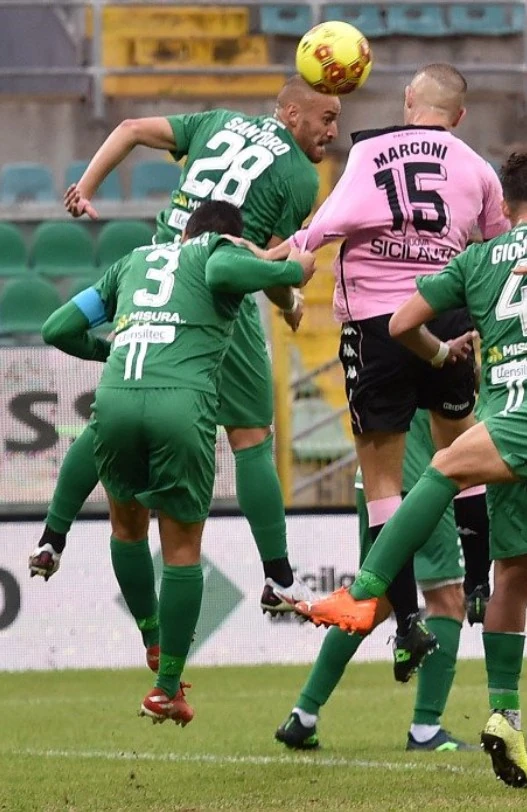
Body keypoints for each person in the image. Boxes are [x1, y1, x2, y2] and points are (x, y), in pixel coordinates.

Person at [29, 76, 341, 617]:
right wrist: (290, 299)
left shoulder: (217, 120)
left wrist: (86, 188)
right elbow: (262, 263)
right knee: (250, 437)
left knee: (107, 418)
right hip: (213, 295)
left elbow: (130, 128)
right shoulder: (297, 173)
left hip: (151, 279)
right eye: (327, 118)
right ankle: (280, 578)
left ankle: (53, 536)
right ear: (293, 114)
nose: (333, 132)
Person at [293, 152, 527, 786]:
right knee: (508, 571)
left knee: (453, 480)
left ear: (503, 204)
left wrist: (443, 351)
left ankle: (365, 592)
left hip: (508, 413)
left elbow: (399, 323)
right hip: (506, 425)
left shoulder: (477, 260)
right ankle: (502, 717)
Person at [269, 63, 507, 680]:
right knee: (462, 457)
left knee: (383, 484)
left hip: (377, 324)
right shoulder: (477, 167)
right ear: (459, 116)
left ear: (408, 101)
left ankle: (407, 623)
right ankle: (479, 582)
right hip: (446, 316)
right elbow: (496, 249)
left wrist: (280, 271)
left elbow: (320, 233)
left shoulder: (369, 153)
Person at [41, 200, 315, 725]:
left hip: (116, 399)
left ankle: (140, 625)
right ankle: (167, 687)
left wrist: (108, 351)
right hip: (181, 407)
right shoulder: (216, 249)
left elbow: (57, 328)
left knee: (125, 527)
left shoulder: (133, 260)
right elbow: (222, 268)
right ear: (225, 236)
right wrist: (290, 271)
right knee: (183, 550)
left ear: (182, 230)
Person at [276, 409, 472, 752]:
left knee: (373, 601)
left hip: (374, 480)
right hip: (424, 478)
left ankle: (303, 715)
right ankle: (426, 728)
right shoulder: (447, 372)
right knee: (447, 596)